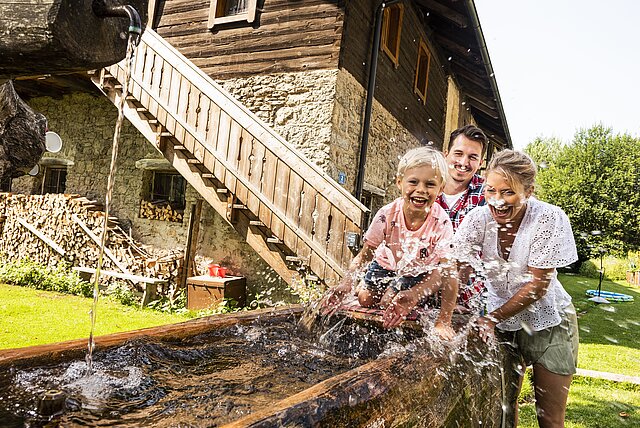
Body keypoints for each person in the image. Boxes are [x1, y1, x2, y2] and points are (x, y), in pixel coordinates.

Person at [451, 150, 579, 427]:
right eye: (490, 190)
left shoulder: (548, 218)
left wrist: (491, 318)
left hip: (550, 321)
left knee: (549, 418)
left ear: (528, 191)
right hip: (501, 324)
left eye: (508, 192)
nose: (497, 201)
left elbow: (538, 286)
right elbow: (455, 270)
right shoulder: (477, 219)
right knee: (504, 411)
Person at [322, 147, 458, 339]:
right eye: (413, 182)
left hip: (420, 270)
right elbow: (365, 256)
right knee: (365, 299)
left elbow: (449, 272)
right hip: (386, 262)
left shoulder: (441, 222)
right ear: (399, 182)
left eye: (430, 184)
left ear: (441, 188)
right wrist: (346, 284)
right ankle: (380, 287)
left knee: (392, 301)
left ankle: (400, 290)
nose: (421, 190)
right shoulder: (386, 215)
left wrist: (443, 321)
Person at [436, 124, 488, 308]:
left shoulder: (489, 194)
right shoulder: (425, 188)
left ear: (480, 163)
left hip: (469, 299)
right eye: (458, 154)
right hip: (423, 295)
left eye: (473, 157)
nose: (464, 162)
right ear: (446, 154)